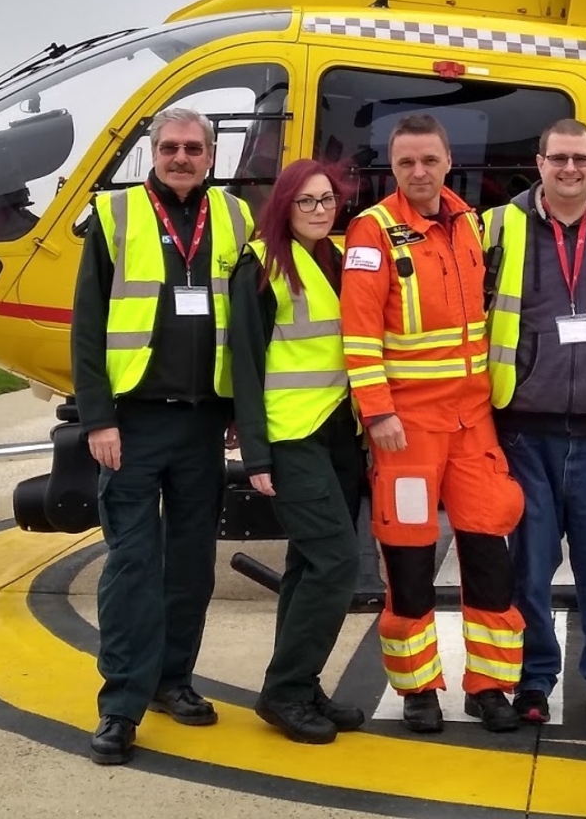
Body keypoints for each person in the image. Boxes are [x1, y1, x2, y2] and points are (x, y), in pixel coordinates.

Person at [71, 107, 254, 766]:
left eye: (193, 148)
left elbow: (250, 318)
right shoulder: (116, 217)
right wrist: (99, 418)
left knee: (190, 564)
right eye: (170, 147)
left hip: (204, 423)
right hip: (135, 421)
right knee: (131, 564)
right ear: (153, 153)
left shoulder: (235, 217)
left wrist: (241, 406)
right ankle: (120, 702)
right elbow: (88, 326)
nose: (181, 157)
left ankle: (173, 679)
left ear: (211, 154)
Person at [339, 113, 526, 734]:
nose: (418, 173)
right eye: (405, 163)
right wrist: (379, 413)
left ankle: (490, 686)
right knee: (411, 565)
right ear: (391, 170)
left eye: (429, 161)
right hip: (408, 430)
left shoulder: (468, 223)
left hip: (473, 423)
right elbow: (359, 336)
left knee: (490, 557)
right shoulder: (373, 233)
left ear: (449, 162)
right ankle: (419, 688)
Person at [482, 118, 586, 725]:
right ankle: (532, 680)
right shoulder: (500, 224)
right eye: (559, 158)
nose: (570, 169)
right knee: (528, 570)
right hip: (527, 432)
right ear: (539, 160)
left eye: (581, 159)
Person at [228, 159, 367, 745]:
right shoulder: (260, 266)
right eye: (306, 201)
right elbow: (246, 362)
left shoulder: (332, 260)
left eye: (327, 200)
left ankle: (300, 685)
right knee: (336, 562)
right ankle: (285, 689)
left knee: (307, 565)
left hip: (339, 430)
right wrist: (256, 456)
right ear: (283, 204)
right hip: (291, 434)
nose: (318, 210)